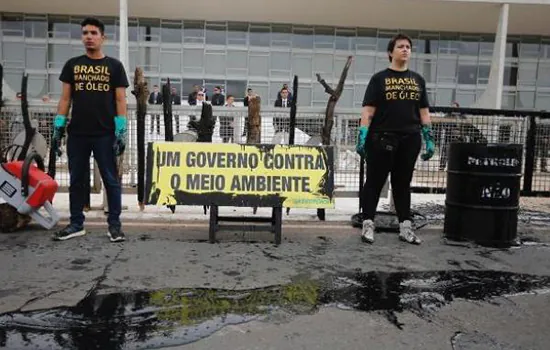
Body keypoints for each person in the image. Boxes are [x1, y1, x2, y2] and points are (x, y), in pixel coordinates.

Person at [51, 17, 129, 242]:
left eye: (93, 33)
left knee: (110, 180)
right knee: (76, 180)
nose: (89, 37)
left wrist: (120, 130)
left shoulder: (114, 66)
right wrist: (58, 128)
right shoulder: (72, 65)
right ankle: (76, 224)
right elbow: (65, 99)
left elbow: (120, 100)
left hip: (105, 134)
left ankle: (114, 225)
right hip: (77, 134)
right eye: (85, 33)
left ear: (102, 37)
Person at [355, 33, 435, 245]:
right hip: (381, 138)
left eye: (408, 46)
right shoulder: (379, 79)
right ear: (391, 52)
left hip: (410, 138)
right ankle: (368, 224)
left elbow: (424, 111)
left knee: (402, 184)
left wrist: (429, 138)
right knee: (374, 182)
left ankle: (405, 228)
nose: (405, 49)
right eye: (400, 46)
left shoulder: (417, 80)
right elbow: (368, 110)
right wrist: (362, 136)